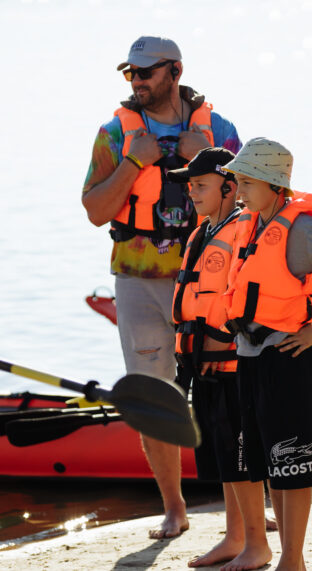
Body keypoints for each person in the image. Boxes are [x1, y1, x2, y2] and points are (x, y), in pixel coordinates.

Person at [81, 36, 241, 539]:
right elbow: (95, 211)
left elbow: (254, 205)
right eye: (131, 74)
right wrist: (134, 163)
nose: (138, 82)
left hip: (209, 279)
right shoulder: (114, 133)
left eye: (147, 72)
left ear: (175, 71)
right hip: (139, 281)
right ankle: (175, 509)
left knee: (225, 395)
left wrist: (214, 160)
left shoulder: (219, 130)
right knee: (154, 398)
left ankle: (242, 512)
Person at [222, 138, 312, 571]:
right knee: (265, 460)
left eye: (247, 182)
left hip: (287, 355)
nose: (239, 190)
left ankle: (294, 558)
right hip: (249, 355)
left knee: (290, 459)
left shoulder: (303, 229)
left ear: (273, 185)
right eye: (237, 181)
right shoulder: (251, 224)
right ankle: (286, 554)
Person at [167, 147, 272, 570]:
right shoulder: (201, 233)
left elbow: (246, 299)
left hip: (230, 363)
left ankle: (257, 544)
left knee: (242, 462)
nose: (191, 192)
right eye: (189, 185)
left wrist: (218, 343)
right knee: (225, 463)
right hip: (202, 365)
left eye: (200, 184)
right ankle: (233, 538)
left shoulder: (242, 230)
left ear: (230, 187)